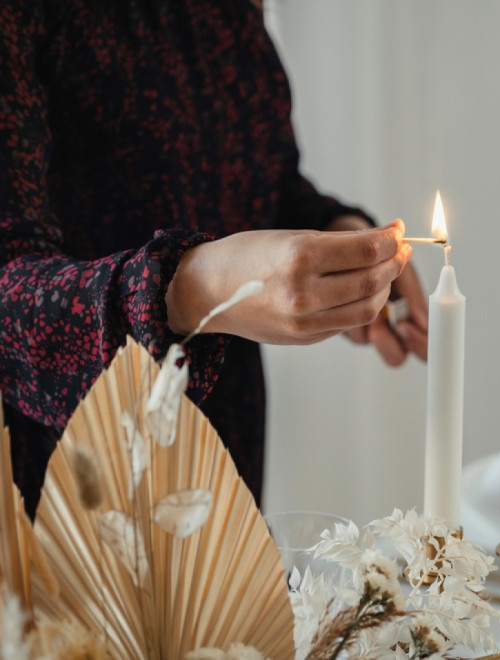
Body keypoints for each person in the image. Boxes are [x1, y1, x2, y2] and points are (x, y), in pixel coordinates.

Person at [0, 0, 428, 516]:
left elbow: (263, 182)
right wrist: (192, 289)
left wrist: (340, 239)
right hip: (66, 491)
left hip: (225, 471)